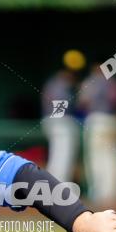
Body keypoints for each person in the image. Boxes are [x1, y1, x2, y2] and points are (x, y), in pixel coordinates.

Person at [78, 63, 116, 207]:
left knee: (97, 159)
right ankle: (112, 196)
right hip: (113, 121)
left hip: (97, 121)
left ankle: (99, 195)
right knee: (113, 159)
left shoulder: (90, 82)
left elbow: (82, 103)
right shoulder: (114, 83)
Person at [41, 49, 86, 182]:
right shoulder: (59, 84)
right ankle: (56, 188)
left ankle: (54, 188)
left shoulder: (56, 82)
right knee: (61, 157)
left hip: (55, 122)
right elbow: (59, 110)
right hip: (59, 122)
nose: (72, 75)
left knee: (59, 156)